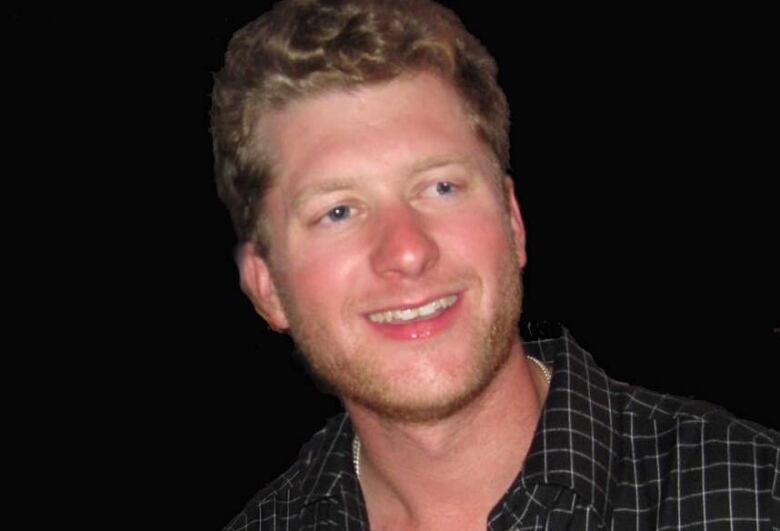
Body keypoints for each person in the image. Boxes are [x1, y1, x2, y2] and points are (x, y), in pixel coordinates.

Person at [210, 0, 779, 529]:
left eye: (440, 186)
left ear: (512, 221)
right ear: (267, 288)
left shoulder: (752, 492)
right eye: (337, 211)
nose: (407, 250)